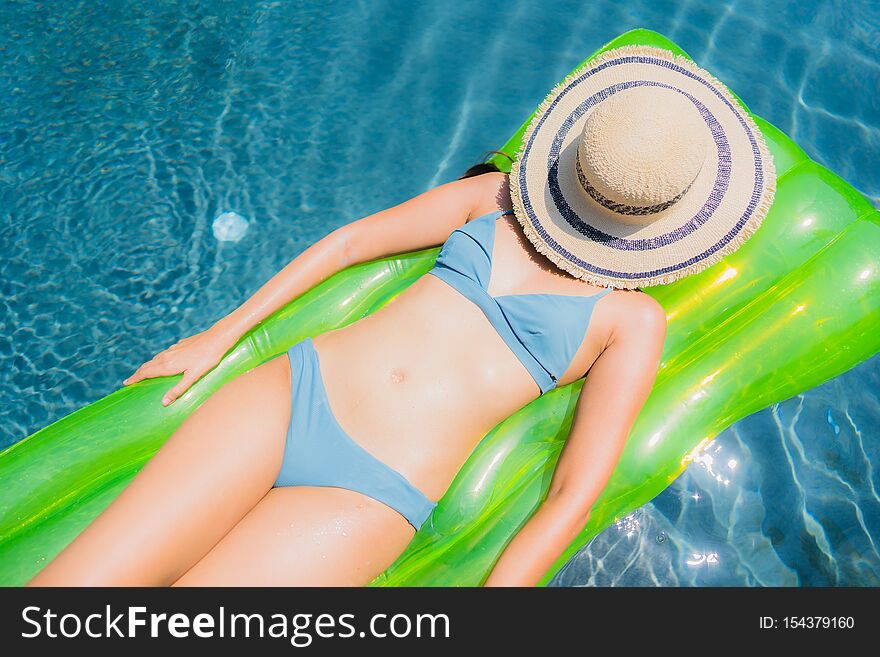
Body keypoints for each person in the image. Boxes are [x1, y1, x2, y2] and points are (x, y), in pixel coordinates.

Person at [27, 45, 774, 587]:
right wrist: (217, 337)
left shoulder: (631, 322)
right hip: (292, 394)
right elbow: (353, 241)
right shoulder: (496, 199)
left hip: (370, 492)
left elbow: (575, 489)